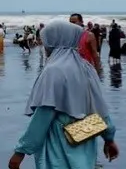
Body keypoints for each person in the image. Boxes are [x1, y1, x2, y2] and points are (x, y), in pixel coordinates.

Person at [8, 20, 119, 169]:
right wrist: (109, 138)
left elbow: (43, 116)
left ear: (55, 40)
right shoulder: (86, 67)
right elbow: (100, 108)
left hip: (59, 144)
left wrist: (20, 152)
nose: (45, 45)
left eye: (47, 40)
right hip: (84, 138)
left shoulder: (53, 71)